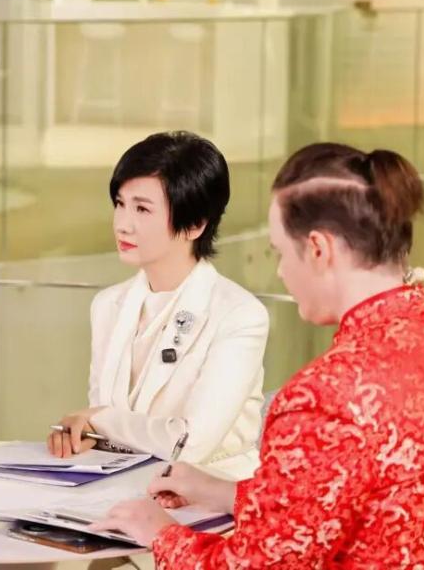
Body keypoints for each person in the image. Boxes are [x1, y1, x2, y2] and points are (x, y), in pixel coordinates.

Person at [94, 143, 424, 569]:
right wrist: (222, 492)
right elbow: (353, 500)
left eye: (280, 252)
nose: (281, 272)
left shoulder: (323, 397)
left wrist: (159, 533)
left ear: (318, 249)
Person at [47, 131, 269, 481]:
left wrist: (99, 418)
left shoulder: (239, 315)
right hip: (119, 489)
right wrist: (80, 432)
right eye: (120, 204)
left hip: (213, 494)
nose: (123, 224)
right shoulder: (108, 305)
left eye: (142, 209)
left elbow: (190, 444)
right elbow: (102, 432)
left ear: (195, 224)